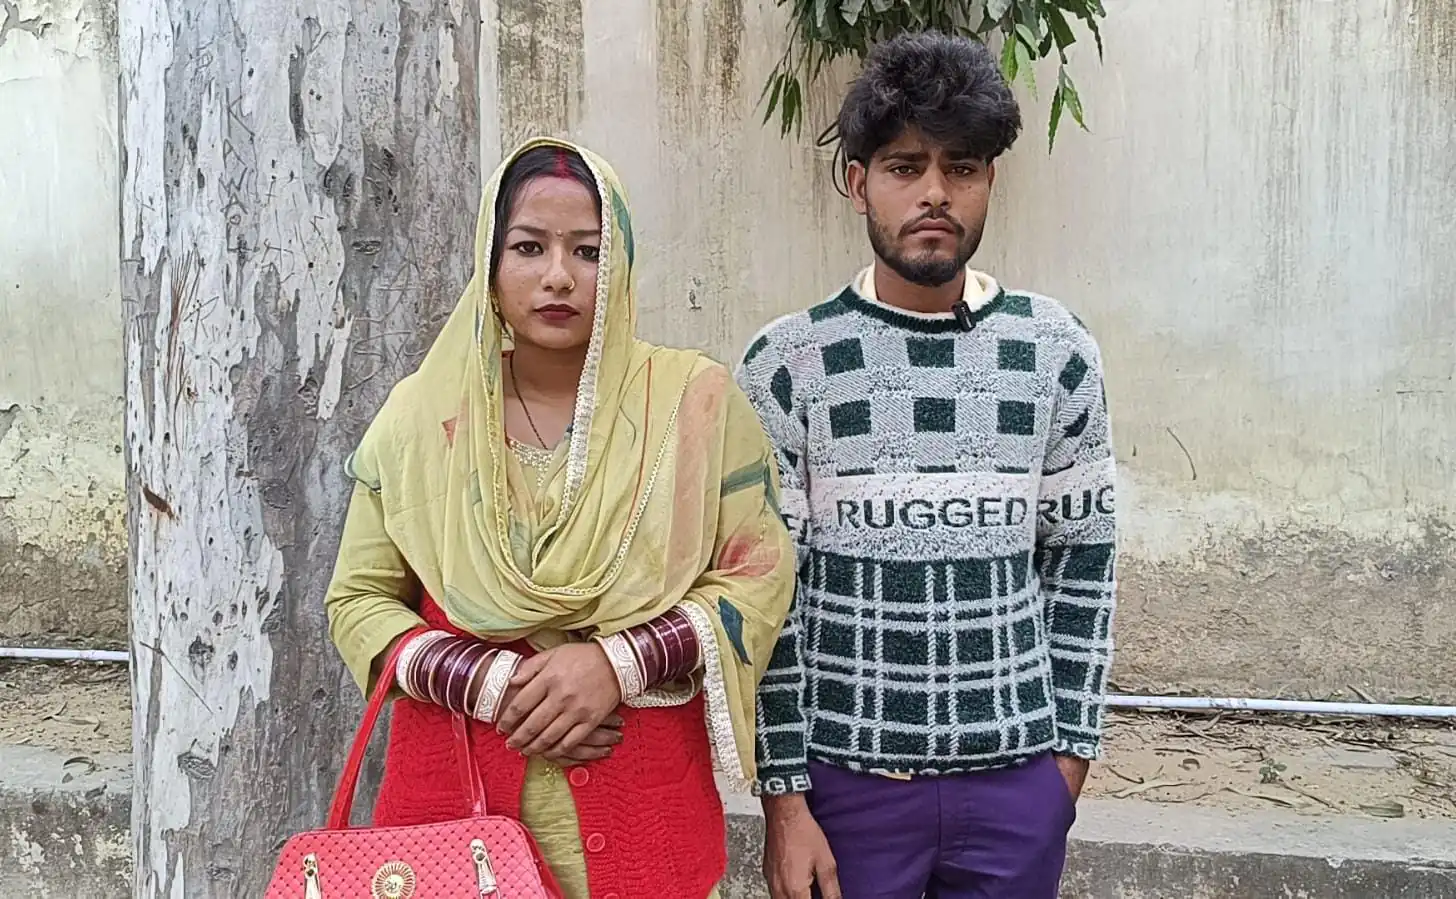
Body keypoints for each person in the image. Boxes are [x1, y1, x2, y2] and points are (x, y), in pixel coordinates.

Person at [324, 138, 796, 899]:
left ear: (621, 264)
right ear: (489, 263)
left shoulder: (693, 407)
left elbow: (758, 576)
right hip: (451, 836)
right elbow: (358, 601)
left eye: (588, 250)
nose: (558, 275)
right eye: (528, 247)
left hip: (648, 823)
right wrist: (491, 681)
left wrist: (618, 665)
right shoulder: (422, 417)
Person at [736, 32, 1117, 899]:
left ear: (990, 181)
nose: (936, 192)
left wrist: (1064, 768)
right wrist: (785, 800)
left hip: (1017, 786)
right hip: (845, 789)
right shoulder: (787, 365)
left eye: (962, 167)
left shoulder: (1055, 351)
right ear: (857, 181)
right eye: (905, 167)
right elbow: (766, 601)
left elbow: (1083, 567)